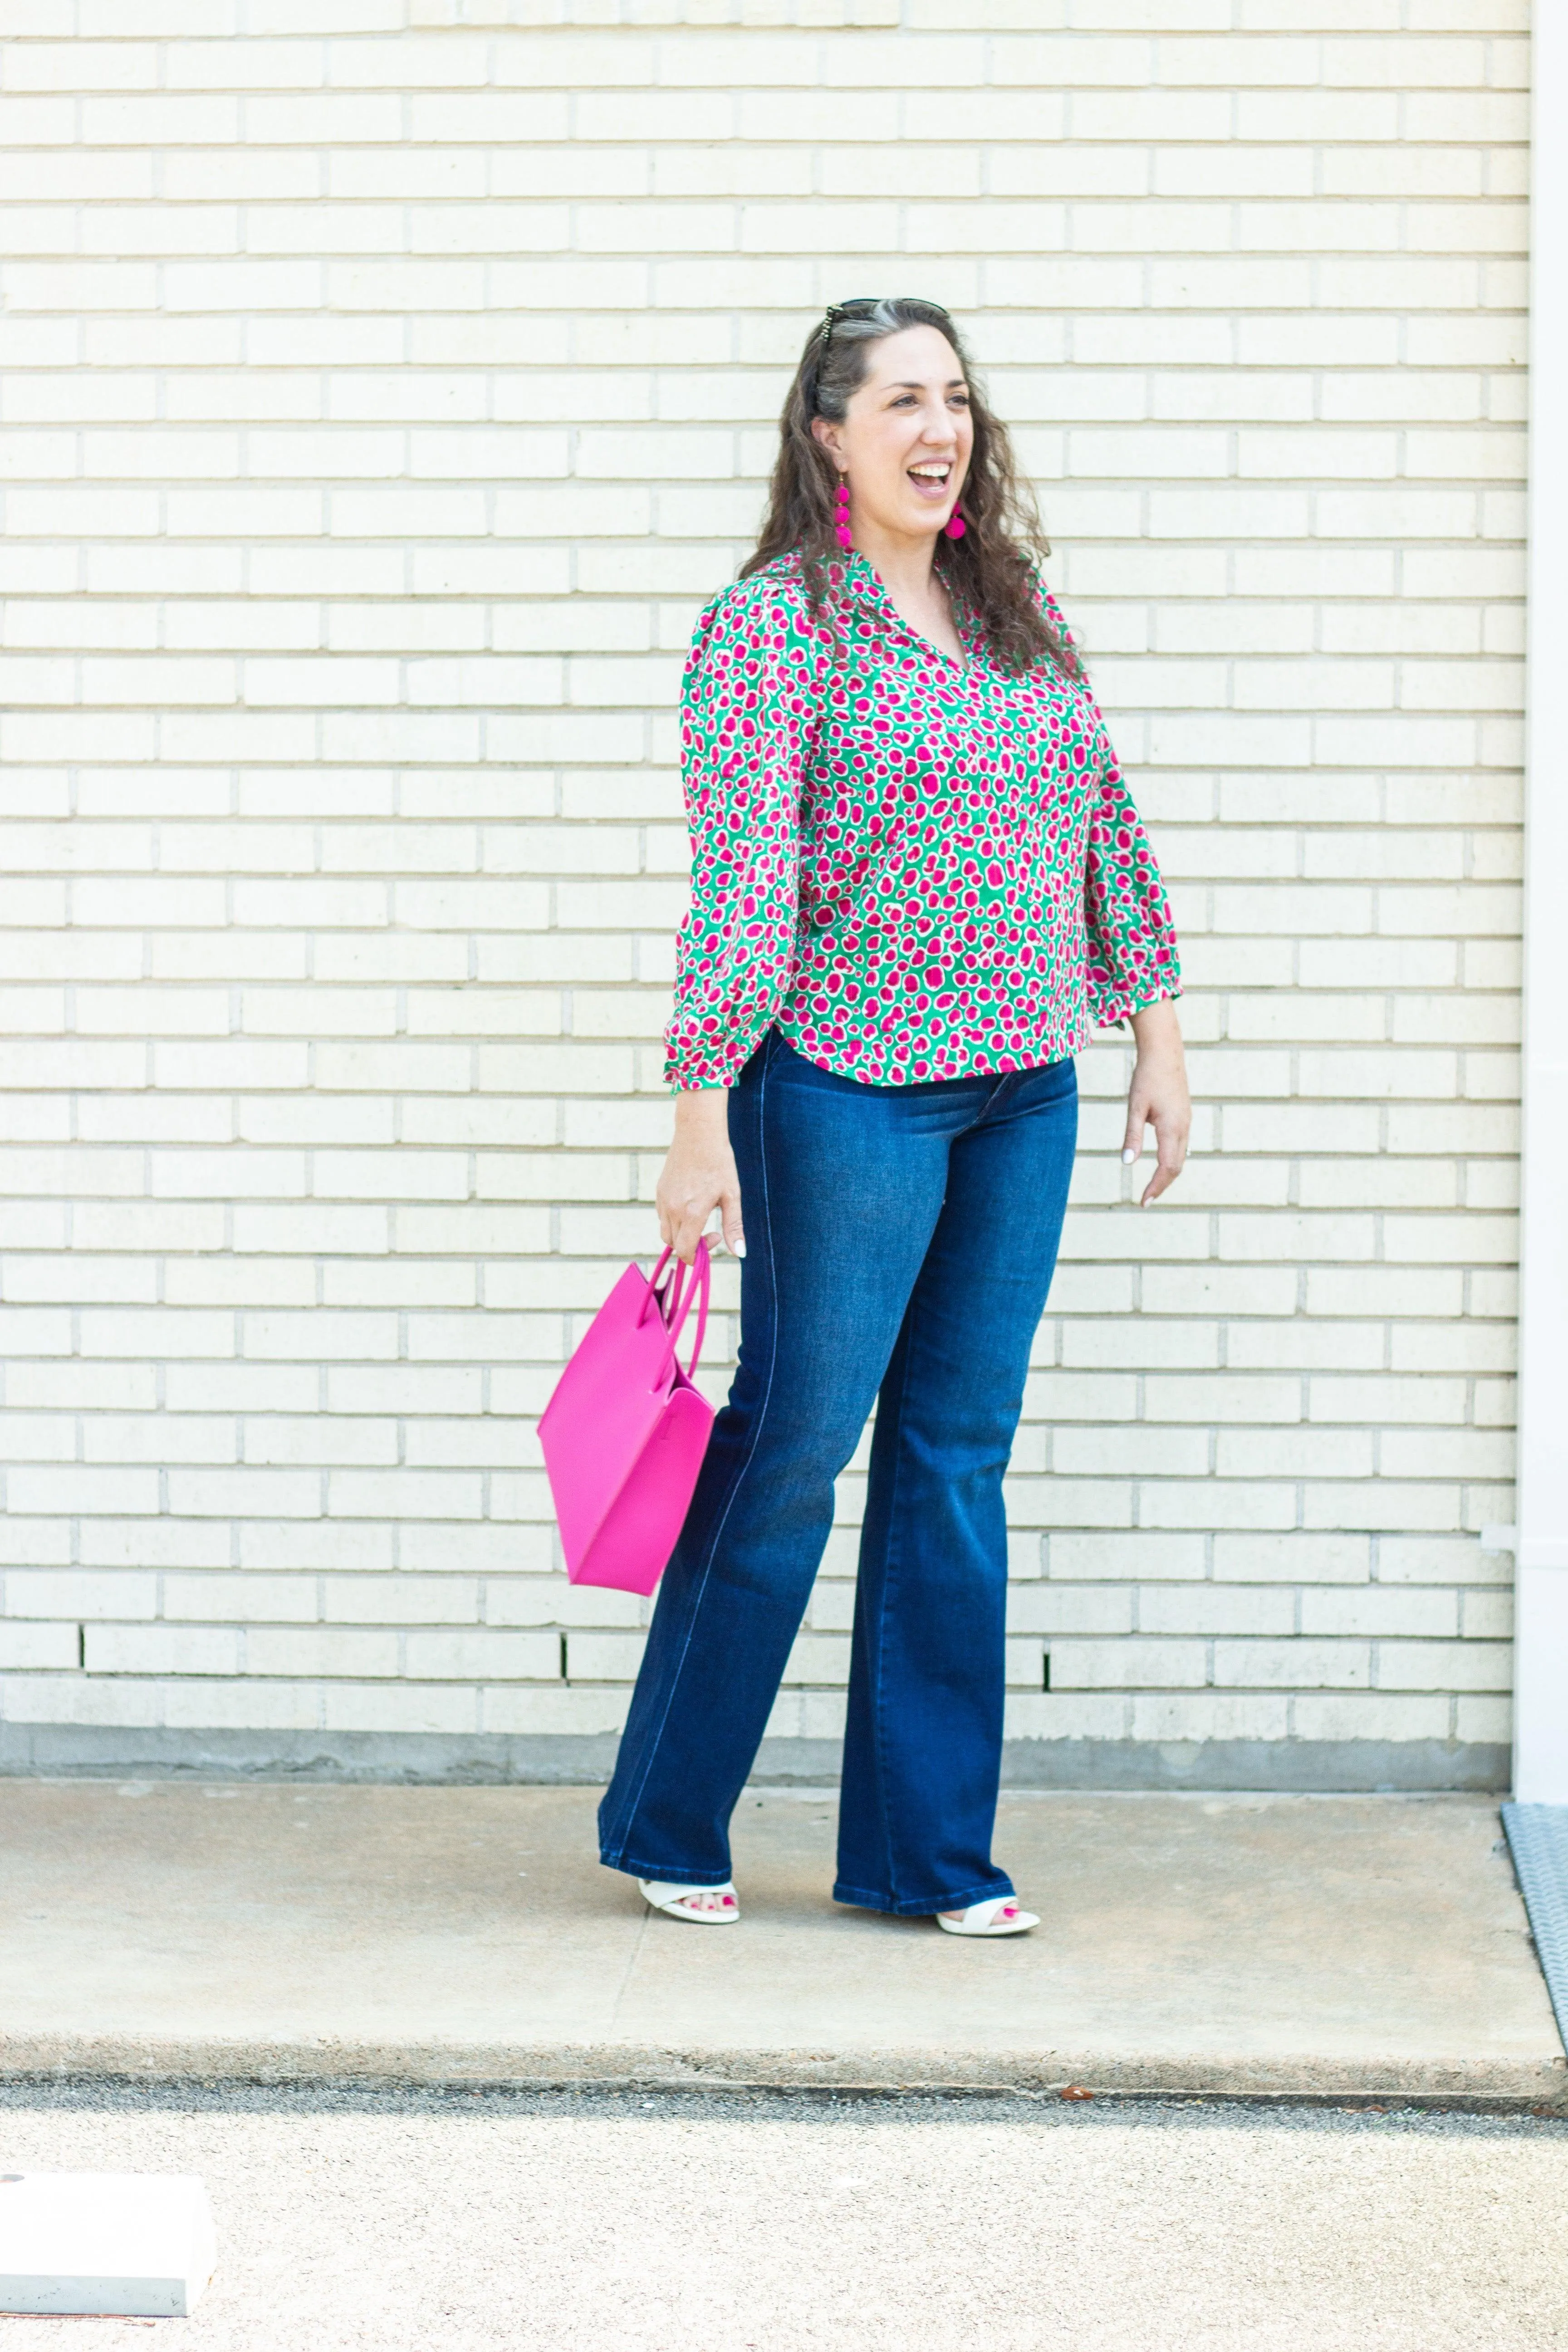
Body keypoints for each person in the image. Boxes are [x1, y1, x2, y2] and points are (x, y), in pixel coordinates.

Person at [597, 296, 1188, 1936]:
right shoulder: (773, 626)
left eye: (959, 398)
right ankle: (666, 1821)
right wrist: (700, 1113)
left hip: (1022, 1088)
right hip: (843, 1091)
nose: (943, 428)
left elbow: (1102, 824)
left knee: (955, 1463)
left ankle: (926, 1858)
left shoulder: (1014, 609)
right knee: (794, 1448)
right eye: (904, 401)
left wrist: (1155, 1029)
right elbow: (743, 883)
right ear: (829, 436)